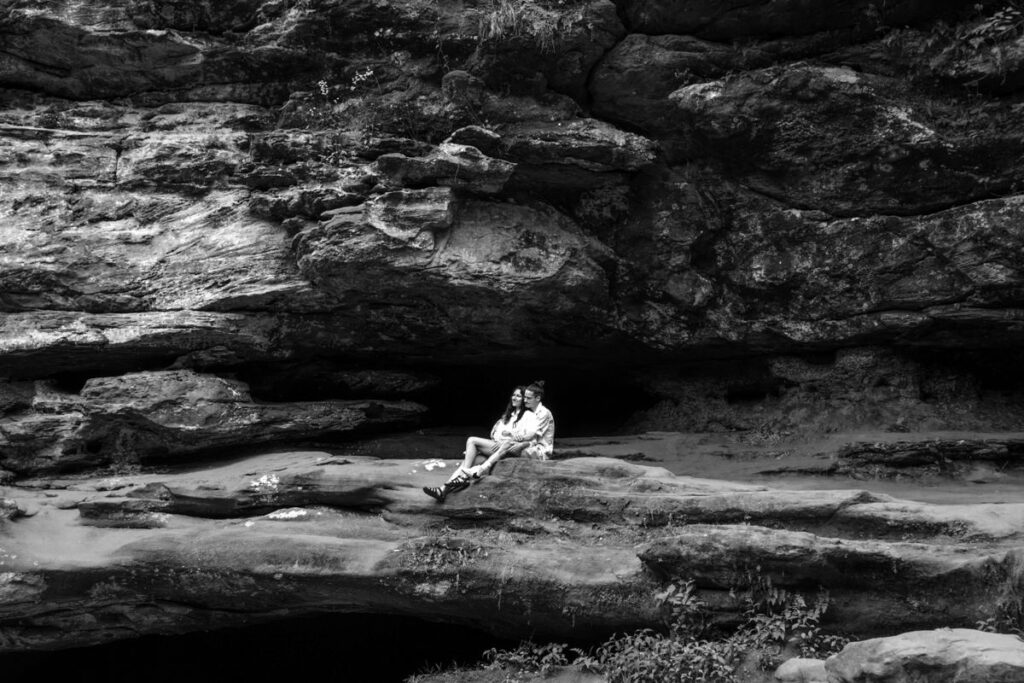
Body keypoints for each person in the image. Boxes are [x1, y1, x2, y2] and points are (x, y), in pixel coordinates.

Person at [422, 385, 536, 502]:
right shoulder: (508, 415)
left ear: (524, 399)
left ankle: (462, 477)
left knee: (472, 440)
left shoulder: (529, 415)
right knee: (470, 460)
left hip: (510, 448)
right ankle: (443, 490)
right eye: (514, 395)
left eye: (518, 396)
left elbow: (530, 436)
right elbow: (495, 434)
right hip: (497, 446)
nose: (514, 398)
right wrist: (498, 439)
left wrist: (507, 438)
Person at [466, 379, 555, 477]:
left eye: (528, 398)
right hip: (528, 445)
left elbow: (531, 436)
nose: (525, 400)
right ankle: (466, 474)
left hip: (539, 451)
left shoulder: (543, 413)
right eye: (524, 397)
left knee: (505, 445)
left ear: (538, 398)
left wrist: (510, 440)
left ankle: (481, 469)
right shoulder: (528, 413)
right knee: (480, 456)